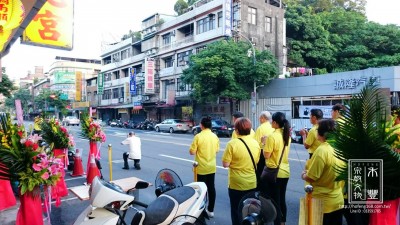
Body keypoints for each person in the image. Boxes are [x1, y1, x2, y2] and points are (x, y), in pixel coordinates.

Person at [301, 119, 344, 225]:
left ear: (321, 133)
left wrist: (304, 175)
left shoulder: (322, 151)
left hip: (321, 203)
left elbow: (312, 177)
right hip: (338, 200)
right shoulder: (341, 148)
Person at [222, 117, 260, 225]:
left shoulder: (232, 144)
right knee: (249, 210)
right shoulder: (255, 143)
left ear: (237, 130)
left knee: (236, 210)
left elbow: (225, 164)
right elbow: (256, 161)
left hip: (236, 183)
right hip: (251, 182)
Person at [263, 112, 291, 225]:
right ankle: (283, 222)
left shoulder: (272, 136)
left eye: (271, 121)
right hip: (285, 171)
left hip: (274, 172)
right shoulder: (286, 135)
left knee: (275, 201)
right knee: (282, 199)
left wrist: (264, 143)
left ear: (275, 122)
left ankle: (277, 222)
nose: (270, 123)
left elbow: (266, 155)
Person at [189, 116, 220, 218]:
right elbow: (216, 150)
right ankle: (211, 210)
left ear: (201, 125)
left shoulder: (198, 136)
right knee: (211, 188)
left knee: (201, 189)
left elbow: (192, 152)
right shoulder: (215, 136)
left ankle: (201, 210)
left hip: (200, 168)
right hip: (211, 167)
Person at [254, 111, 275, 186]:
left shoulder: (261, 128)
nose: (259, 120)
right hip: (270, 153)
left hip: (261, 153)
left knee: (259, 172)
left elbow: (255, 143)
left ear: (263, 118)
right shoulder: (272, 127)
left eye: (259, 118)